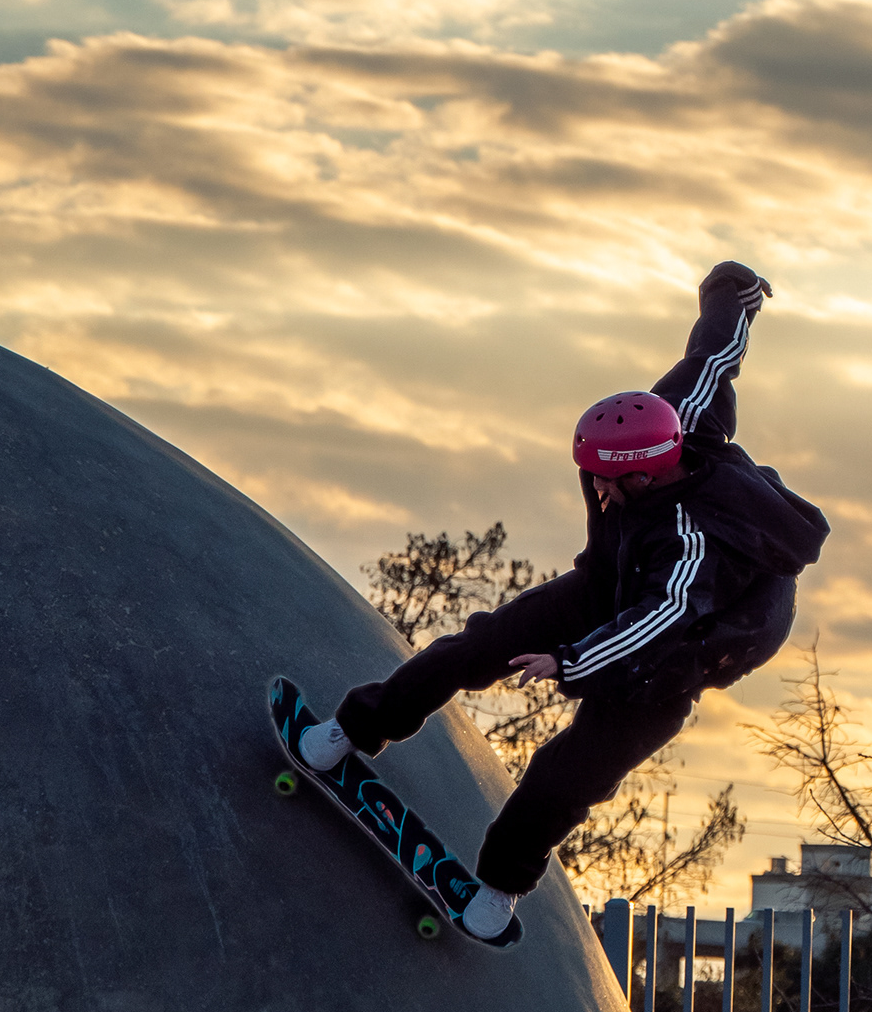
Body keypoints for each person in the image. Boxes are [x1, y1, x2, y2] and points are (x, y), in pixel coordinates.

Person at [298, 261, 826, 939]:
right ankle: (351, 731)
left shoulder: (696, 540)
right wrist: (733, 294)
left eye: (607, 483)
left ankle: (497, 891)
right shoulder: (677, 417)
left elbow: (662, 618)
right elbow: (713, 356)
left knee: (565, 777)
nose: (596, 493)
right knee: (475, 647)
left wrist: (572, 662)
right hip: (605, 588)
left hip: (673, 659)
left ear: (646, 474)